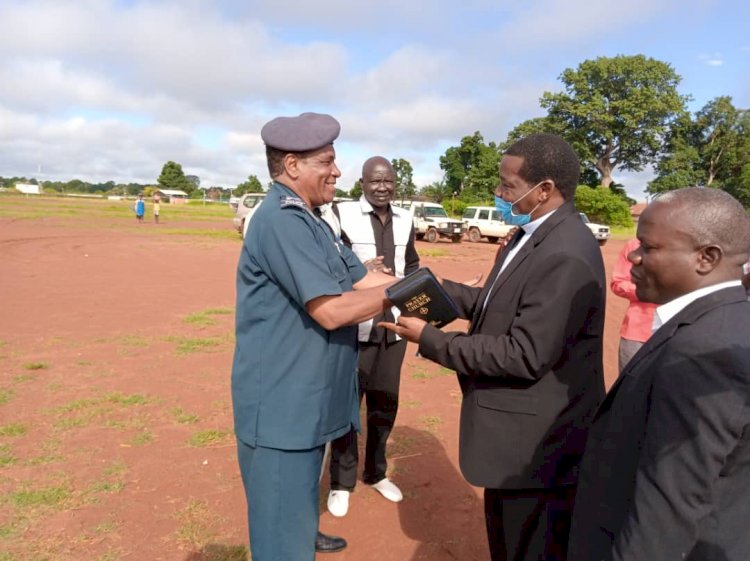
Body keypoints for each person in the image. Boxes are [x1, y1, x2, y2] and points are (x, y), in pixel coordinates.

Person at [381, 133, 606, 561]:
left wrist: (430, 339)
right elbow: (492, 301)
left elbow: (523, 354)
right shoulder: (530, 233)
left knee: (529, 547)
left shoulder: (566, 254)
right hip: (515, 443)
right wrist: (416, 289)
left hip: (538, 451)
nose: (498, 194)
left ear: (544, 190)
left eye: (507, 186)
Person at [232, 112, 395, 561]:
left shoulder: (312, 220)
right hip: (284, 405)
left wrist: (444, 292)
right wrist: (412, 293)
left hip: (309, 398)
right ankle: (290, 541)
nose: (338, 172)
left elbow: (362, 279)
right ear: (292, 166)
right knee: (280, 536)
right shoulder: (281, 221)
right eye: (327, 161)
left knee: (299, 495)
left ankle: (300, 531)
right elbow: (332, 310)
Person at [568, 187, 750, 561]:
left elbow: (669, 507)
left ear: (706, 258)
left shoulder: (703, 350)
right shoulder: (723, 320)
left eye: (648, 248)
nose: (633, 256)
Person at [325, 156, 420, 517]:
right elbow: (330, 264)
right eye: (375, 181)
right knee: (349, 407)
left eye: (388, 182)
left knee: (385, 403)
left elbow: (411, 264)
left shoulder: (406, 218)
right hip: (356, 328)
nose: (382, 188)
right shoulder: (341, 214)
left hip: (391, 329)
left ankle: (376, 473)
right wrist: (358, 271)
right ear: (362, 183)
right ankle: (341, 482)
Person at [610, 238, 658, 374]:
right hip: (637, 332)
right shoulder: (634, 246)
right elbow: (618, 282)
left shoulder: (688, 246)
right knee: (630, 386)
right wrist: (649, 291)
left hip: (678, 332)